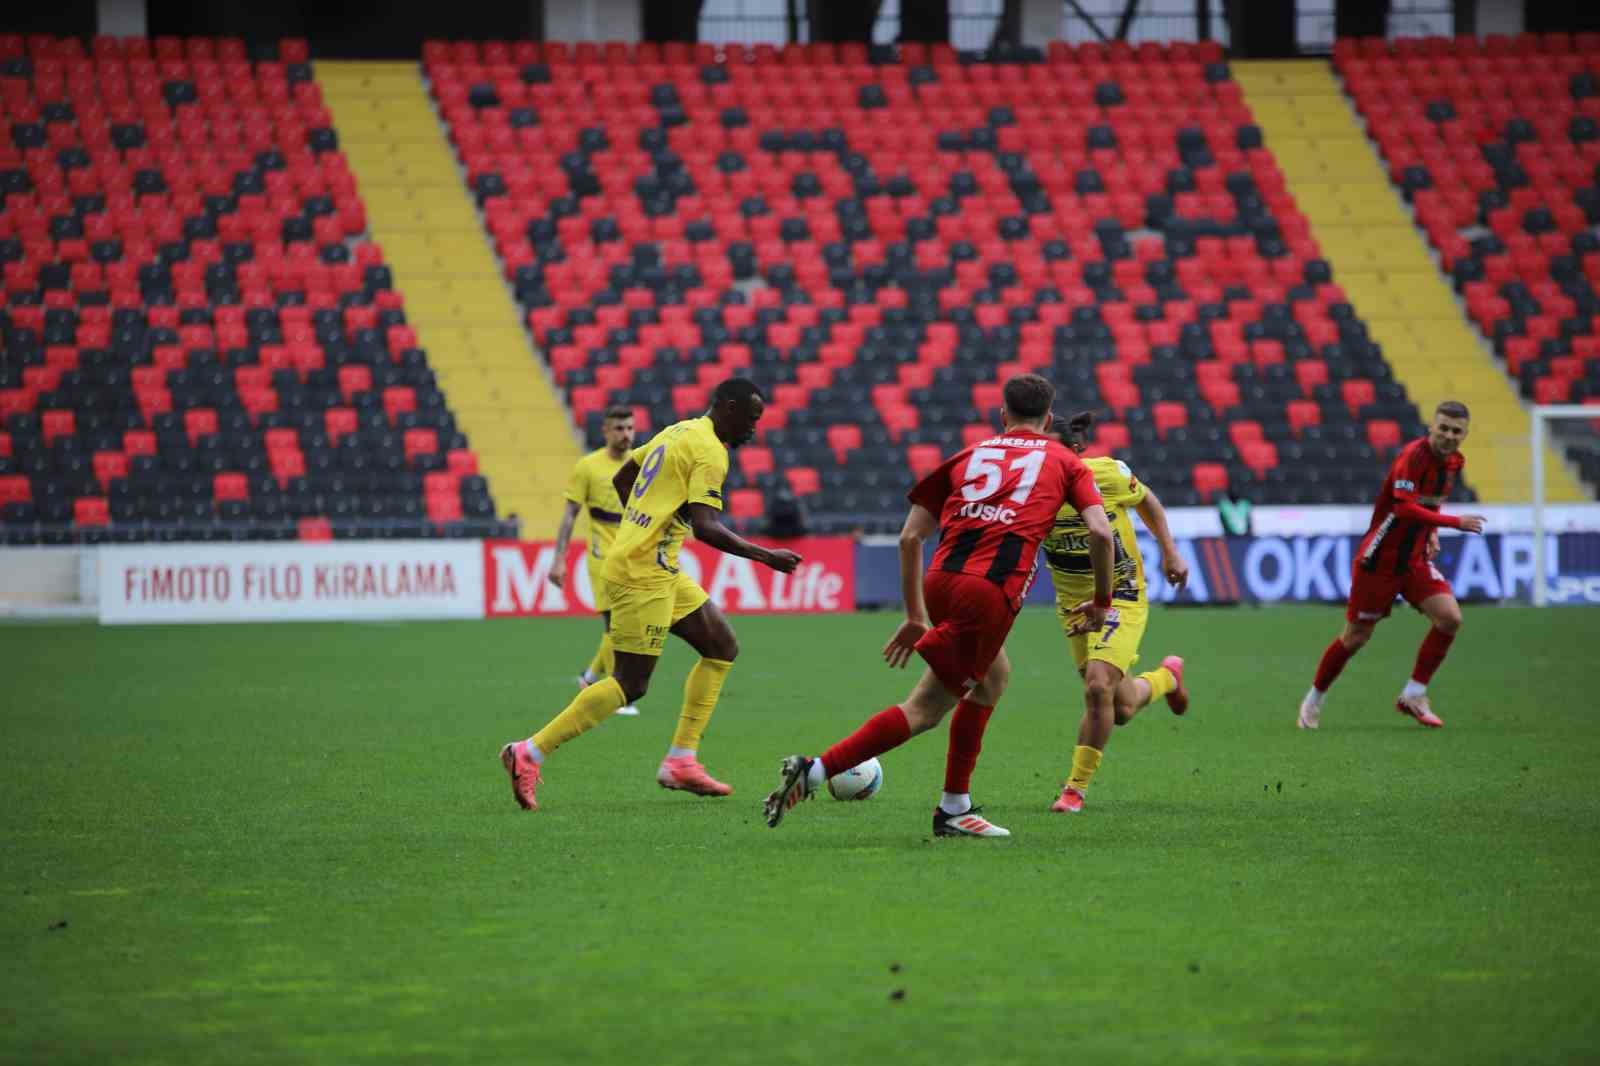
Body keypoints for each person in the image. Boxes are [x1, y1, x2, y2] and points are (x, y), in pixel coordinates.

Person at [762, 374, 1114, 838]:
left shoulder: (971, 454)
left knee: (994, 677)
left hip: (940, 580)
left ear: (1003, 416)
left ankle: (955, 805)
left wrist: (914, 616)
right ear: (1049, 419)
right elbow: (1101, 533)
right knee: (925, 709)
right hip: (987, 592)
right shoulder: (1066, 462)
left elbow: (910, 537)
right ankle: (817, 771)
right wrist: (1103, 600)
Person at [500, 379, 803, 810]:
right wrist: (765, 556)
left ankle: (682, 759)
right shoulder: (709, 451)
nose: (754, 429)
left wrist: (650, 522)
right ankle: (528, 752)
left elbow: (626, 477)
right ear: (729, 407)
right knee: (631, 683)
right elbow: (707, 526)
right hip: (641, 572)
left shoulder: (679, 430)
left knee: (721, 646)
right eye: (752, 418)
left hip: (655, 566)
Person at [1298, 400, 1487, 730]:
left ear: (1465, 435)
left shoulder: (1454, 463)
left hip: (1413, 560)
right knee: (1356, 637)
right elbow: (1403, 508)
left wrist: (1430, 533)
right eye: (1443, 427)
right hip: (1380, 560)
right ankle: (1313, 699)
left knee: (1449, 618)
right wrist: (1453, 523)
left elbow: (1430, 502)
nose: (1448, 435)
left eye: (1456, 431)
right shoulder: (1412, 458)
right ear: (1432, 427)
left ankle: (1414, 694)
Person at [1042, 412, 1192, 814]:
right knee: (1120, 707)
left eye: (1050, 448)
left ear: (1074, 452)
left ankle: (1074, 789)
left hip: (1120, 594)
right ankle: (1166, 679)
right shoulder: (1029, 489)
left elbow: (1148, 502)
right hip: (1073, 604)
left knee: (1096, 686)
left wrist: (1170, 551)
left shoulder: (1105, 475)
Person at [549, 405, 641, 716]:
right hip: (603, 556)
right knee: (615, 625)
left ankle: (589, 678)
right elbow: (569, 514)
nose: (625, 435)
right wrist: (559, 558)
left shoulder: (641, 463)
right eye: (618, 429)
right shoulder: (588, 467)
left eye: (629, 428)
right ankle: (619, 693)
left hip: (635, 555)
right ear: (605, 431)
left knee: (629, 624)